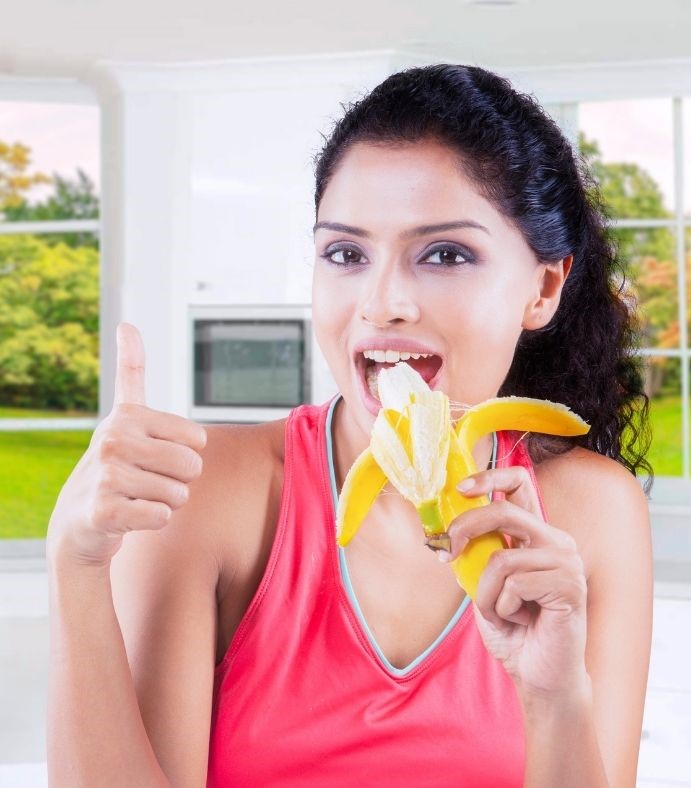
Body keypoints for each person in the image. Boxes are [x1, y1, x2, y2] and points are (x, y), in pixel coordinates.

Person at [46, 64, 653, 787]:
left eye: (445, 254)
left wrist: (553, 701)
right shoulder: (204, 494)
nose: (380, 302)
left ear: (542, 288)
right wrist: (75, 566)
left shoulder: (591, 513)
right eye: (345, 254)